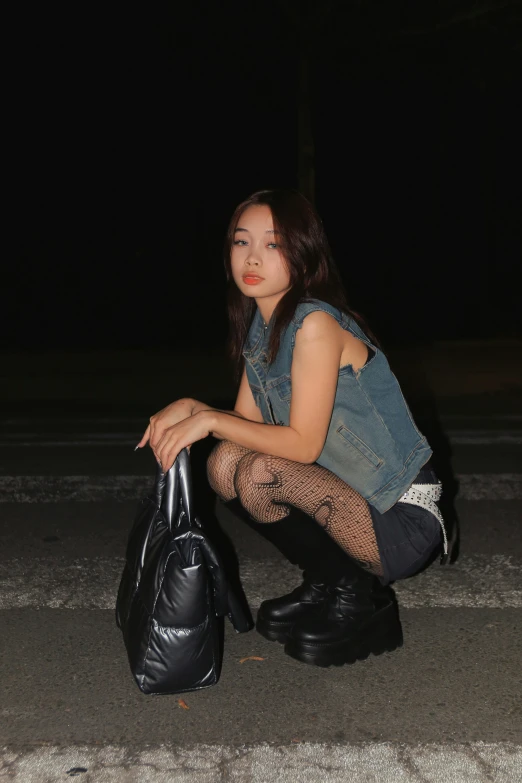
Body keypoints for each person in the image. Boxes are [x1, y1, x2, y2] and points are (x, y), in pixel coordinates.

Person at [137, 189, 446, 668]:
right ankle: (328, 581)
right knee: (224, 464)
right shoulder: (262, 327)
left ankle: (355, 598)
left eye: (273, 244)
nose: (253, 257)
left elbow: (300, 446)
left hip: (398, 518)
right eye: (242, 243)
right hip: (349, 500)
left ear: (303, 255)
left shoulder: (316, 324)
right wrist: (194, 407)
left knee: (260, 470)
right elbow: (243, 427)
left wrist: (211, 418)